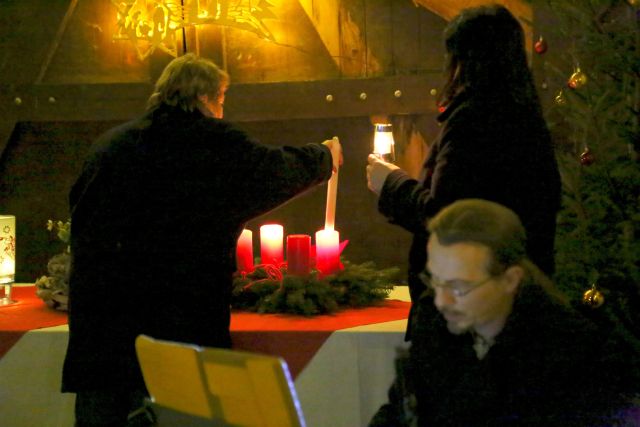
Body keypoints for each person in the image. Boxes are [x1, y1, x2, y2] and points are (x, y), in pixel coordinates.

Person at [61, 53, 342, 426]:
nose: (222, 110)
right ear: (208, 97)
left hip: (103, 336)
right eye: (222, 100)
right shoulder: (213, 144)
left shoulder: (109, 147)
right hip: (178, 329)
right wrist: (325, 156)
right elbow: (274, 171)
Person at [369, 199, 640, 427]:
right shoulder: (435, 323)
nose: (442, 300)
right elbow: (400, 410)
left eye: (459, 286)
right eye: (435, 281)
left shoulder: (567, 354)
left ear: (510, 279)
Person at [366, 5, 561, 309]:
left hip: (467, 300)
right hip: (512, 293)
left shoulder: (474, 120)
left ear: (463, 60)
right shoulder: (524, 115)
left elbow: (447, 218)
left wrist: (391, 182)